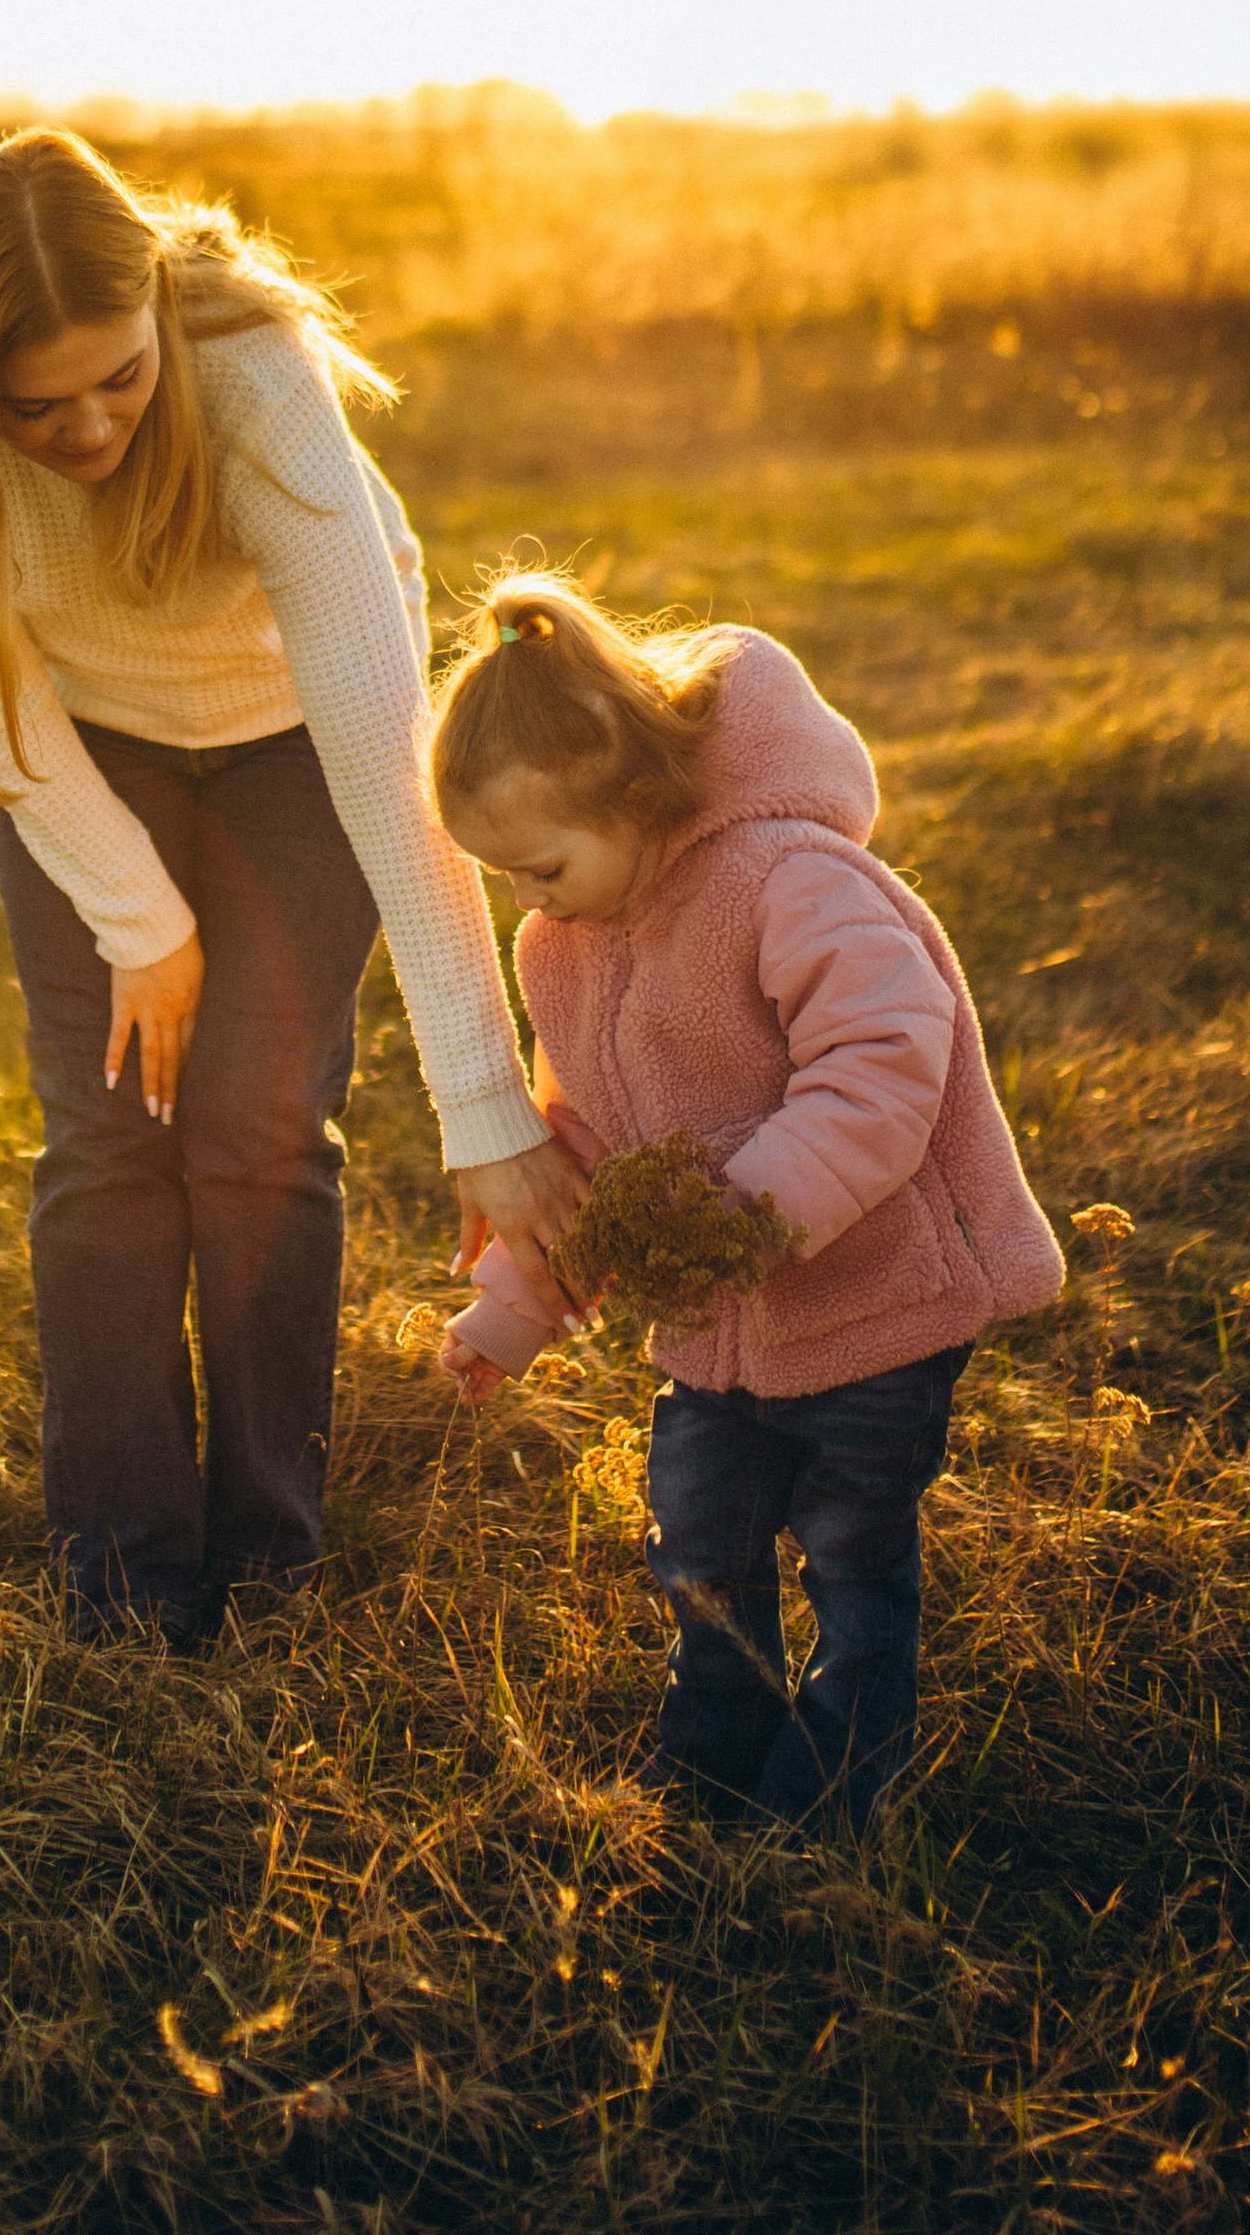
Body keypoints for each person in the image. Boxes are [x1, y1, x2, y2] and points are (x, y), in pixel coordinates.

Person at [0, 128, 580, 1639]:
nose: (89, 424)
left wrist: (486, 1110)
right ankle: (123, 1568)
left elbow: (381, 758)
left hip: (295, 728)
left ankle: (270, 1555)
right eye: (33, 405)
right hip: (86, 736)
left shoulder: (255, 371)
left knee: (256, 1121)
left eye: (119, 378)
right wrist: (139, 917)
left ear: (160, 321)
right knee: (107, 1133)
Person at [428, 574, 1063, 1829]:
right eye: (502, 876)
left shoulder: (791, 877)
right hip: (715, 1344)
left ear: (631, 795)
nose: (525, 899)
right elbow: (585, 1149)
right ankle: (707, 1768)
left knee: (851, 1560)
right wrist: (514, 1302)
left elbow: (883, 1066)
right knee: (698, 1549)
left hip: (875, 1310)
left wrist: (742, 1216)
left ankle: (825, 1806)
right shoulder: (561, 946)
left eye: (540, 863)